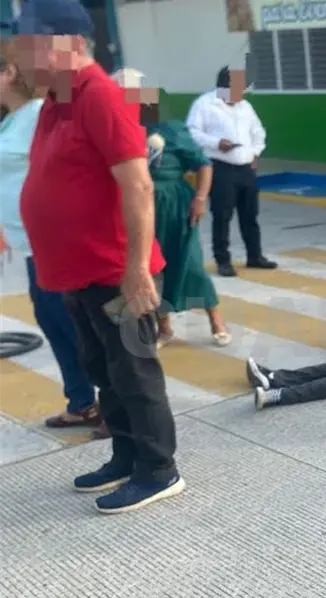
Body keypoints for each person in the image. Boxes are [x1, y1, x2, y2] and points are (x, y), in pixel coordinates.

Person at [15, 0, 183, 514]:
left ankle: (159, 469)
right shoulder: (55, 100)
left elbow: (137, 184)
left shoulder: (101, 96)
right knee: (102, 370)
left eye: (34, 43)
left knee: (133, 369)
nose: (23, 54)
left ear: (72, 43)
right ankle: (127, 455)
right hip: (79, 274)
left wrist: (135, 272)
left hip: (116, 275)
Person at [0, 37, 107, 440]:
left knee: (81, 328)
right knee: (56, 324)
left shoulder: (37, 115)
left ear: (8, 73)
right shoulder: (11, 121)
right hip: (29, 247)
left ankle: (113, 406)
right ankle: (82, 402)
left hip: (53, 245)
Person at [112, 68, 231, 349]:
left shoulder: (171, 129)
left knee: (189, 262)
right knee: (153, 266)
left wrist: (200, 198)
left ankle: (216, 320)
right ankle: (164, 327)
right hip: (140, 207)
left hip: (175, 205)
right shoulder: (121, 130)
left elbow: (203, 163)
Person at [186, 66, 275, 278]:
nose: (241, 93)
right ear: (224, 87)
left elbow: (258, 132)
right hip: (220, 166)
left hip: (246, 167)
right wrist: (216, 143)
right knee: (222, 216)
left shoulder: (245, 107)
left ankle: (255, 256)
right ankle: (223, 261)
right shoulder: (204, 105)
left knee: (250, 215)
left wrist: (255, 153)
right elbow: (192, 132)